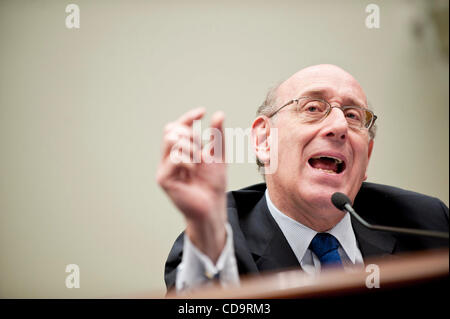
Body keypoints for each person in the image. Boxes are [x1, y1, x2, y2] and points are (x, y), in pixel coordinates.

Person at [157, 64, 449, 293]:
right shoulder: (216, 243)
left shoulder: (426, 224)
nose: (339, 126)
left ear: (367, 156)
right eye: (312, 108)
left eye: (352, 115)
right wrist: (207, 230)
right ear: (264, 140)